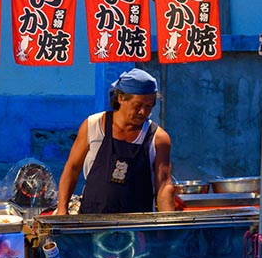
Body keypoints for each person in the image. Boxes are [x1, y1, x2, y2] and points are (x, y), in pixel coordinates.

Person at [56, 68, 175, 215]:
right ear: (121, 98)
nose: (143, 112)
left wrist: (168, 228)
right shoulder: (93, 126)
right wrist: (62, 208)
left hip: (138, 226)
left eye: (148, 106)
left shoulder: (158, 138)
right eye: (137, 105)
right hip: (91, 220)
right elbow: (72, 168)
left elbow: (164, 186)